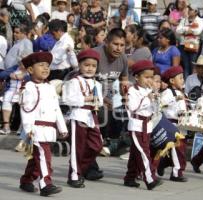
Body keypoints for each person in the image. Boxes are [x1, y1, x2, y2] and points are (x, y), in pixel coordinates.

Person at [19, 52, 68, 196]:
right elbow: (26, 110)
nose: (45, 68)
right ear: (30, 70)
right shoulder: (28, 87)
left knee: (37, 159)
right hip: (36, 129)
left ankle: (26, 180)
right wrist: (28, 130)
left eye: (47, 66)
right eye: (41, 65)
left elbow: (56, 109)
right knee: (44, 157)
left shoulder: (50, 87)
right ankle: (46, 184)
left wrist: (62, 127)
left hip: (49, 129)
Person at [62, 49, 103, 188]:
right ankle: (74, 175)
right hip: (78, 115)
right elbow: (66, 99)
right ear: (79, 65)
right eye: (87, 65)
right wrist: (86, 98)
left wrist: (97, 101)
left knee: (97, 145)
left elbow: (100, 101)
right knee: (77, 147)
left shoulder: (97, 84)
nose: (90, 68)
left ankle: (81, 167)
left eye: (93, 66)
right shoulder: (73, 81)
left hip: (92, 116)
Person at [91, 28, 129, 176]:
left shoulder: (123, 59)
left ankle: (117, 144)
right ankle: (89, 167)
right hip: (89, 99)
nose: (118, 48)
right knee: (99, 123)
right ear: (106, 42)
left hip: (108, 100)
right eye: (115, 44)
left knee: (125, 115)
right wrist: (103, 99)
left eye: (122, 45)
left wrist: (127, 98)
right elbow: (85, 81)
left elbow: (124, 82)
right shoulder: (95, 55)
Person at [123, 60, 162, 190]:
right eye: (146, 77)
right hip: (137, 124)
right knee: (143, 152)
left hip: (148, 124)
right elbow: (132, 107)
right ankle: (150, 178)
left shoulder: (149, 90)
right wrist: (147, 98)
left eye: (151, 77)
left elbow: (155, 109)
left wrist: (156, 99)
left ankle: (130, 177)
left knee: (136, 153)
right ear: (136, 77)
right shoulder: (132, 90)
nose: (149, 80)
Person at [159, 66, 188, 182]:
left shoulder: (181, 93)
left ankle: (162, 163)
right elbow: (162, 104)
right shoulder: (167, 92)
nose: (183, 80)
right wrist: (175, 99)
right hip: (171, 124)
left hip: (181, 124)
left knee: (180, 148)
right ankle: (177, 173)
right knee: (178, 149)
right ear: (171, 81)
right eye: (180, 78)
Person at [0, 62, 29, 135]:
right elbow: (1, 74)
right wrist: (10, 75)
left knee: (25, 105)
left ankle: (22, 128)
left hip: (25, 90)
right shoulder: (15, 67)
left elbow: (36, 77)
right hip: (11, 90)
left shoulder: (32, 68)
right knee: (6, 101)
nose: (21, 65)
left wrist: (24, 76)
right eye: (20, 63)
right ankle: (6, 127)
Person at [176, 5, 203, 78]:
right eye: (189, 9)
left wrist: (185, 30)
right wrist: (188, 29)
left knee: (193, 65)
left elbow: (198, 31)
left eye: (191, 10)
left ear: (196, 12)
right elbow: (178, 30)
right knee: (186, 65)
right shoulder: (184, 19)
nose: (189, 11)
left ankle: (192, 82)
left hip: (194, 44)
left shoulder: (200, 20)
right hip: (183, 44)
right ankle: (186, 82)